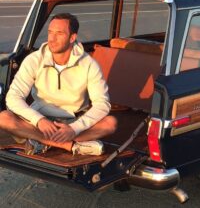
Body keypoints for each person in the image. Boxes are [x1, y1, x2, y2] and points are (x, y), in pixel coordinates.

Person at [0, 13, 116, 155]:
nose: (52, 39)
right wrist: (39, 120)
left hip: (73, 120)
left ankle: (40, 141)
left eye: (59, 33)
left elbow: (102, 103)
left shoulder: (89, 64)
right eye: (50, 32)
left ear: (72, 37)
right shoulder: (34, 59)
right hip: (40, 118)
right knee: (4, 118)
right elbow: (13, 97)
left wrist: (74, 128)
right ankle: (70, 146)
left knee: (110, 123)